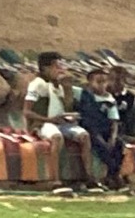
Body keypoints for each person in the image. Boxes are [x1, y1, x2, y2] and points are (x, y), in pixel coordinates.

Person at [23, 52, 93, 183]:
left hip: (60, 123)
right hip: (44, 123)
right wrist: (50, 120)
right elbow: (27, 112)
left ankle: (88, 177)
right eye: (56, 66)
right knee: (56, 137)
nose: (60, 70)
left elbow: (66, 108)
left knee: (84, 136)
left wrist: (67, 92)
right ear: (45, 68)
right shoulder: (37, 85)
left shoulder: (59, 85)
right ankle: (55, 179)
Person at [77, 68, 124, 188]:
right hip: (91, 128)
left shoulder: (109, 99)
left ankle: (112, 174)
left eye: (104, 82)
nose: (102, 85)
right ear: (90, 83)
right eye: (98, 81)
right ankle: (114, 174)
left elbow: (114, 121)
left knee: (118, 144)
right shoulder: (84, 95)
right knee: (100, 144)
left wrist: (113, 137)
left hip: (105, 128)